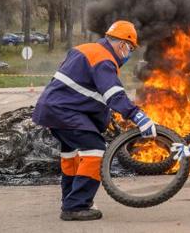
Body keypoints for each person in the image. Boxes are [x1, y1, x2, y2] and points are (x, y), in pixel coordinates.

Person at [32, 20, 158, 221]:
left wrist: (105, 119)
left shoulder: (86, 49)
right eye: (131, 48)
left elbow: (85, 90)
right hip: (65, 111)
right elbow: (113, 94)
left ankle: (70, 201)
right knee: (95, 149)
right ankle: (77, 205)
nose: (129, 53)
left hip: (53, 110)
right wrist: (138, 116)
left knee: (71, 154)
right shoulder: (104, 59)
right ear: (122, 44)